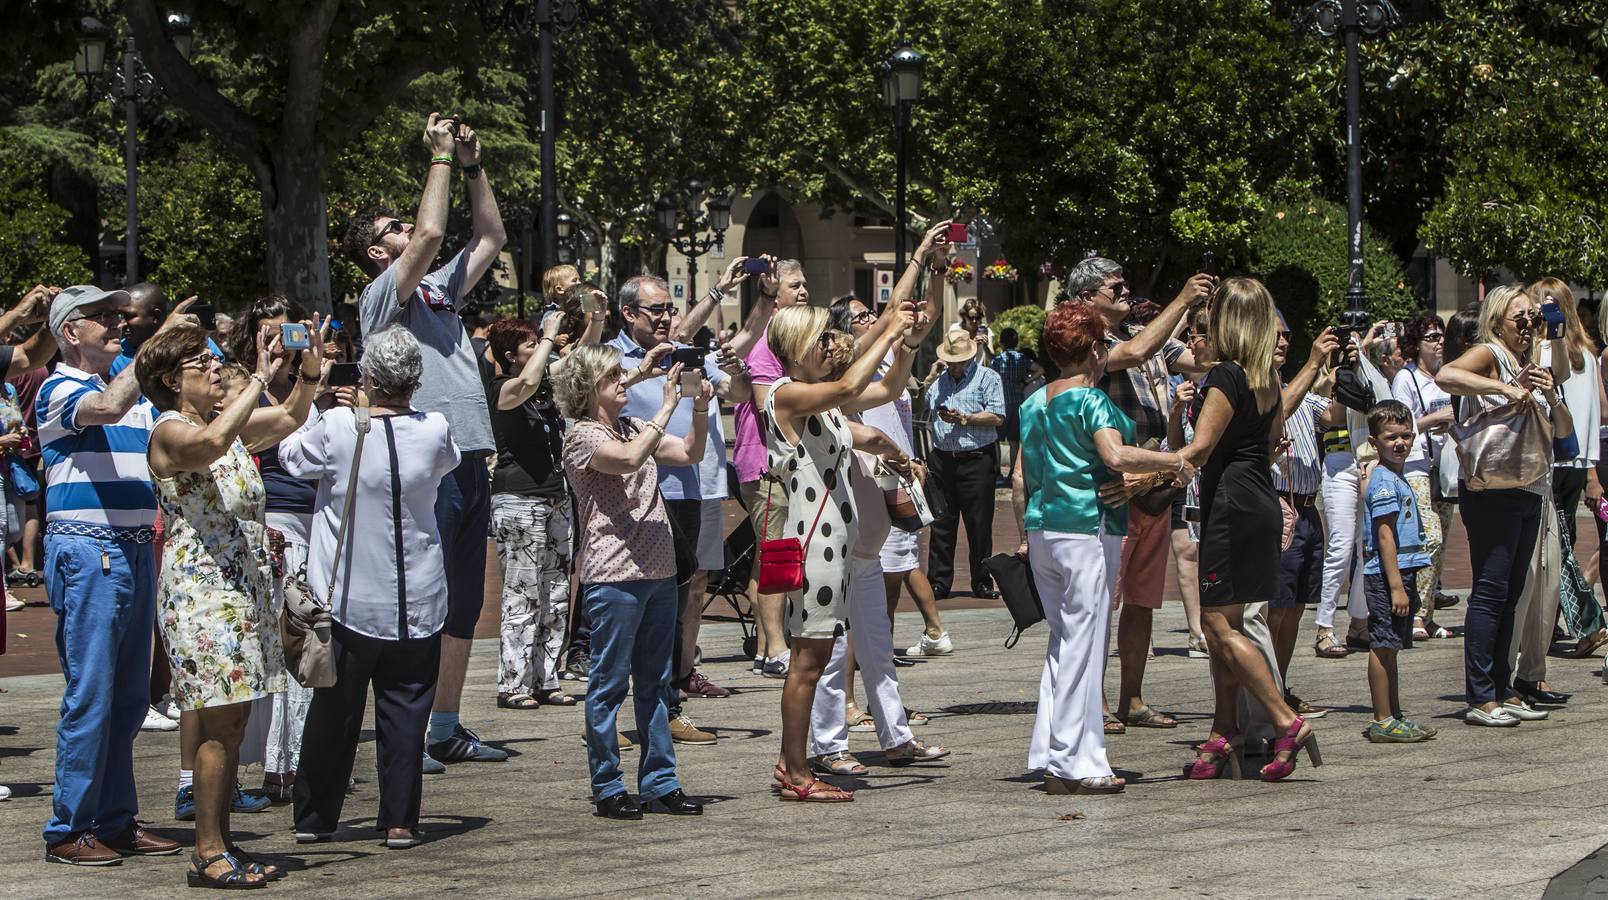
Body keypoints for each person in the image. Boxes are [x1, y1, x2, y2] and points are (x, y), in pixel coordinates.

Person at [345, 113, 508, 767]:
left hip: (468, 455)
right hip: (421, 462)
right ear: (379, 254)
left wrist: (472, 164)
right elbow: (436, 230)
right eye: (394, 231)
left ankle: (444, 726)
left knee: (463, 602)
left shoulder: (439, 293)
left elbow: (491, 235)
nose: (409, 230)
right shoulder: (381, 295)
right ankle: (405, 733)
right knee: (422, 597)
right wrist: (439, 156)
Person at [139, 319, 322, 886]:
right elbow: (213, 443)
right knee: (218, 723)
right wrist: (258, 378)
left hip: (241, 592)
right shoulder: (170, 431)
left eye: (215, 359)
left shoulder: (227, 426)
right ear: (171, 380)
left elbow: (291, 417)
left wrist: (307, 369)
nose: (215, 367)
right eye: (202, 363)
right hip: (203, 597)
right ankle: (208, 852)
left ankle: (221, 842)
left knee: (235, 719)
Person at [280, 326, 462, 848]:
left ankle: (315, 818)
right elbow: (446, 463)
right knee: (407, 713)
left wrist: (320, 404)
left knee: (334, 714)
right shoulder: (435, 428)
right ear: (416, 381)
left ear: (369, 378)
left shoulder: (337, 425)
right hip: (420, 599)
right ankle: (400, 820)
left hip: (348, 600)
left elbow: (292, 457)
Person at [1013, 302, 1191, 794]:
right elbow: (1114, 454)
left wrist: (1027, 535)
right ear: (1095, 350)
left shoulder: (1033, 403)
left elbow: (1019, 479)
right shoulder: (1092, 401)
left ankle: (1055, 749)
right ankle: (1075, 761)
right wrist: (1173, 460)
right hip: (1087, 525)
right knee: (1085, 645)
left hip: (1045, 528)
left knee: (1063, 642)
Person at [39, 285, 183, 866]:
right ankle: (68, 827)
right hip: (88, 549)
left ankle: (116, 820)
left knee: (126, 697)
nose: (116, 323)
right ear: (70, 333)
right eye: (102, 318)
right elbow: (105, 410)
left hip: (127, 548)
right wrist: (153, 349)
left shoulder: (124, 392)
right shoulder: (62, 386)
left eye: (116, 316)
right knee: (93, 693)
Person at [553, 343, 709, 820]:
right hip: (614, 573)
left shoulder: (634, 427)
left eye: (622, 375)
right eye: (611, 378)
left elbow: (688, 451)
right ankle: (607, 785)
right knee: (608, 684)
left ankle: (661, 781)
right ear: (588, 389)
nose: (623, 382)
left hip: (659, 570)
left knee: (657, 683)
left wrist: (698, 406)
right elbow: (624, 460)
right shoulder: (582, 436)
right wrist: (666, 406)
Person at [1177, 277, 1319, 782]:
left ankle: (1284, 720)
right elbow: (1273, 438)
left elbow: (1198, 451)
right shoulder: (1264, 377)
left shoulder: (1226, 377)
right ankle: (1224, 729)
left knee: (1217, 625)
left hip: (1231, 506)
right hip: (1258, 498)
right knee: (1229, 626)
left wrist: (1139, 470)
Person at [766, 302, 910, 801]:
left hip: (833, 545)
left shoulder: (820, 406)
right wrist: (889, 328)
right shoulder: (785, 394)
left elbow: (883, 390)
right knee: (809, 662)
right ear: (797, 347)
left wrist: (904, 344)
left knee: (817, 657)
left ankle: (791, 760)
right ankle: (799, 773)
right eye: (821, 339)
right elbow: (851, 385)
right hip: (815, 547)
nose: (832, 346)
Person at [1067, 256, 1212, 729]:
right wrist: (1183, 300)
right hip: (1114, 484)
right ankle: (1097, 701)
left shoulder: (1149, 336)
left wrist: (1221, 317)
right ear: (1087, 299)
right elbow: (1133, 353)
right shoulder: (1086, 341)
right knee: (1102, 603)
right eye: (1117, 286)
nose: (1126, 291)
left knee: (1143, 599)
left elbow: (1200, 361)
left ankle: (1132, 697)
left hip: (1154, 483)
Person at [607, 274, 752, 741]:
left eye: (671, 309)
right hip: (632, 496)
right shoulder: (611, 357)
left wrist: (736, 369)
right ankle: (615, 714)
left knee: (671, 605)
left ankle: (664, 708)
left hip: (684, 493)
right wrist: (641, 373)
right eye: (657, 311)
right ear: (629, 314)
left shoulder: (688, 355)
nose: (667, 317)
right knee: (634, 607)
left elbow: (741, 394)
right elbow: (588, 403)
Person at [1436, 283, 1572, 726]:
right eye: (1522, 317)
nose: (1529, 323)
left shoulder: (1529, 363)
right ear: (1497, 321)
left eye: (1534, 316)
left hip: (1526, 485)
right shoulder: (1491, 352)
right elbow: (1447, 376)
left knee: (1512, 592)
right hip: (1490, 489)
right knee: (1491, 592)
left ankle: (1502, 686)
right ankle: (1480, 696)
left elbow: (1563, 427)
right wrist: (1506, 389)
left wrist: (1547, 388)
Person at [486, 315, 573, 710]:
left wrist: (591, 320)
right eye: (531, 345)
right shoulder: (502, 387)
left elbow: (569, 365)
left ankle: (546, 678)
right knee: (522, 595)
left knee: (555, 593)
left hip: (555, 498)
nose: (542, 348)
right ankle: (513, 683)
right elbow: (525, 383)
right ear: (510, 355)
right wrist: (550, 336)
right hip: (518, 500)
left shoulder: (543, 388)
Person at [1531, 278, 1608, 658]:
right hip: (1577, 462)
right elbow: (1596, 416)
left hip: (1553, 459)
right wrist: (1591, 466)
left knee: (1554, 546)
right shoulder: (1587, 354)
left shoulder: (1546, 353)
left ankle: (1588, 621)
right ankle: (1553, 623)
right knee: (1562, 542)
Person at [1268, 314, 1339, 717]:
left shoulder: (1304, 394)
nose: (1283, 342)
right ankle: (1269, 692)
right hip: (1281, 503)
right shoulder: (1266, 388)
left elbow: (1335, 415)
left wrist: (1347, 367)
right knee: (1276, 606)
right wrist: (1312, 364)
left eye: (1287, 335)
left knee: (1295, 606)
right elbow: (1279, 409)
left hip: (1309, 508)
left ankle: (1280, 685)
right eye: (1275, 335)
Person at [1358, 401, 1436, 743]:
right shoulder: (1385, 482)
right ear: (1375, 442)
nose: (1400, 443)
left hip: (1402, 571)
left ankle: (1394, 712)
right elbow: (1385, 535)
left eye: (1406, 435)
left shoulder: (1394, 477)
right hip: (1387, 574)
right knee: (1383, 645)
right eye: (1391, 437)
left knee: (1392, 647)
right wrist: (1395, 587)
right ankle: (1382, 718)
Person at [924, 330, 1006, 600]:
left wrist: (966, 418)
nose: (955, 365)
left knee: (979, 524)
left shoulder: (988, 377)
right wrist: (928, 378)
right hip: (943, 458)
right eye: (951, 360)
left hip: (977, 458)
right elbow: (920, 406)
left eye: (959, 360)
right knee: (941, 523)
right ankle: (938, 581)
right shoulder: (939, 381)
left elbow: (997, 416)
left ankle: (982, 581)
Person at [1391, 314, 1457, 640]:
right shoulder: (1406, 378)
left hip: (1446, 469)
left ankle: (1428, 616)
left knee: (1442, 545)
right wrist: (1436, 419)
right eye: (1431, 337)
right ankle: (1416, 613)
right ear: (1417, 343)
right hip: (1417, 466)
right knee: (1431, 537)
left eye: (1441, 335)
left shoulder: (1447, 377)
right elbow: (1399, 428)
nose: (1438, 342)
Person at [991, 327, 1041, 478]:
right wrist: (1026, 381)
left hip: (1001, 404)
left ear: (1001, 342)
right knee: (1014, 441)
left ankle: (997, 471)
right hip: (1018, 403)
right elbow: (1040, 369)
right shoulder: (1022, 359)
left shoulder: (998, 360)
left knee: (997, 440)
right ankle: (1013, 471)